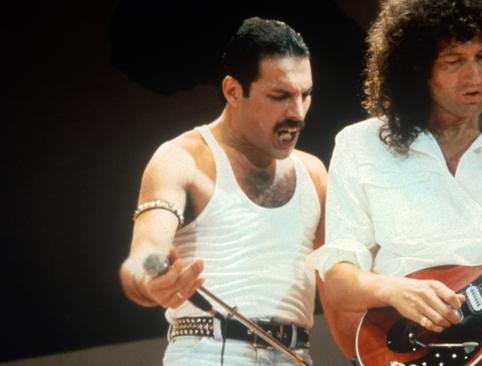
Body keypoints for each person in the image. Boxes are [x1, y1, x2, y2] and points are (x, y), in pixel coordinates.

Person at [310, 0, 482, 364]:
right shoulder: (361, 145)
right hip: (423, 350)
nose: (473, 77)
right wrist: (397, 290)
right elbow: (338, 283)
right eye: (453, 61)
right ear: (416, 67)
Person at [119, 17, 328, 365]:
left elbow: (338, 281)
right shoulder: (182, 159)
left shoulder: (314, 172)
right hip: (207, 351)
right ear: (232, 91)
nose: (297, 113)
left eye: (305, 95)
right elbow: (143, 257)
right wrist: (152, 278)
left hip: (295, 354)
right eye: (279, 96)